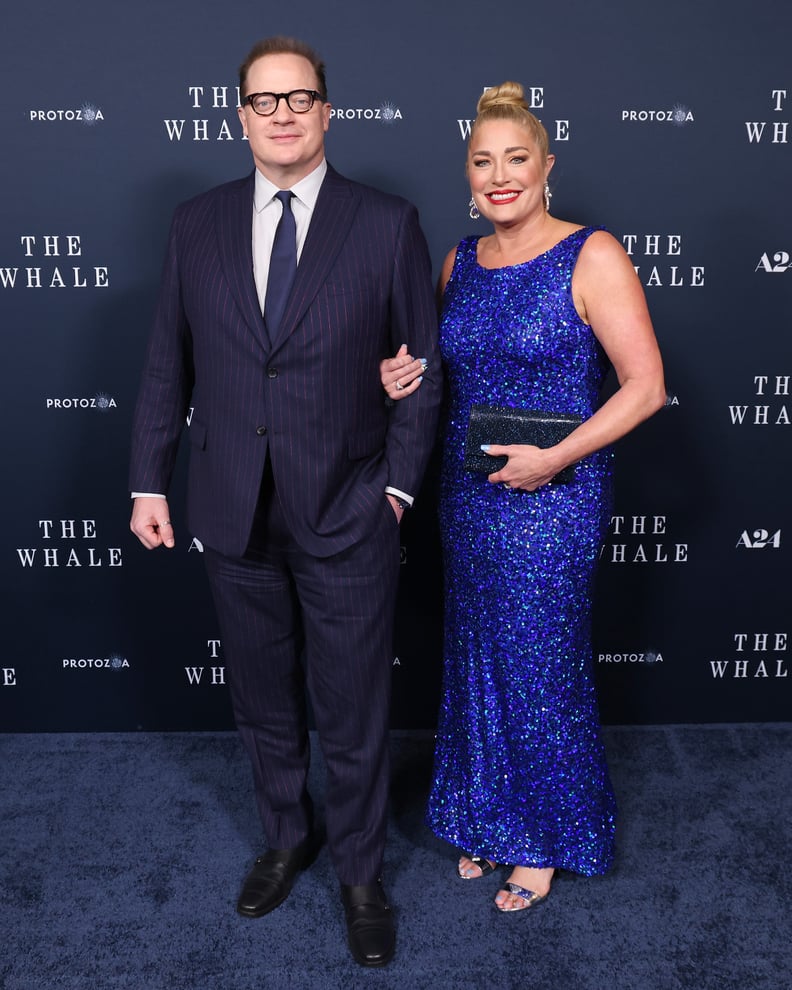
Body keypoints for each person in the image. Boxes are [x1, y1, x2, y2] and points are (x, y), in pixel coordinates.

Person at [129, 36, 441, 966]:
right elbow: (165, 362)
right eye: (263, 101)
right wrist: (150, 477)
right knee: (263, 699)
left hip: (347, 505)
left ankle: (357, 870)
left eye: (298, 98)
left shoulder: (386, 222)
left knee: (350, 704)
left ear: (326, 110)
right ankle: (285, 834)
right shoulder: (197, 223)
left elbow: (420, 373)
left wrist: (393, 489)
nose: (282, 114)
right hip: (229, 506)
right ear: (239, 116)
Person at [381, 81, 665, 912]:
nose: (499, 176)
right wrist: (399, 372)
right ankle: (485, 814)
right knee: (476, 654)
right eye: (482, 161)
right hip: (470, 496)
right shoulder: (458, 260)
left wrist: (556, 459)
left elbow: (645, 387)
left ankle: (543, 836)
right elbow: (439, 371)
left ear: (547, 165)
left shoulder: (593, 254)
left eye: (515, 159)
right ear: (467, 174)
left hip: (556, 499)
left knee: (539, 664)